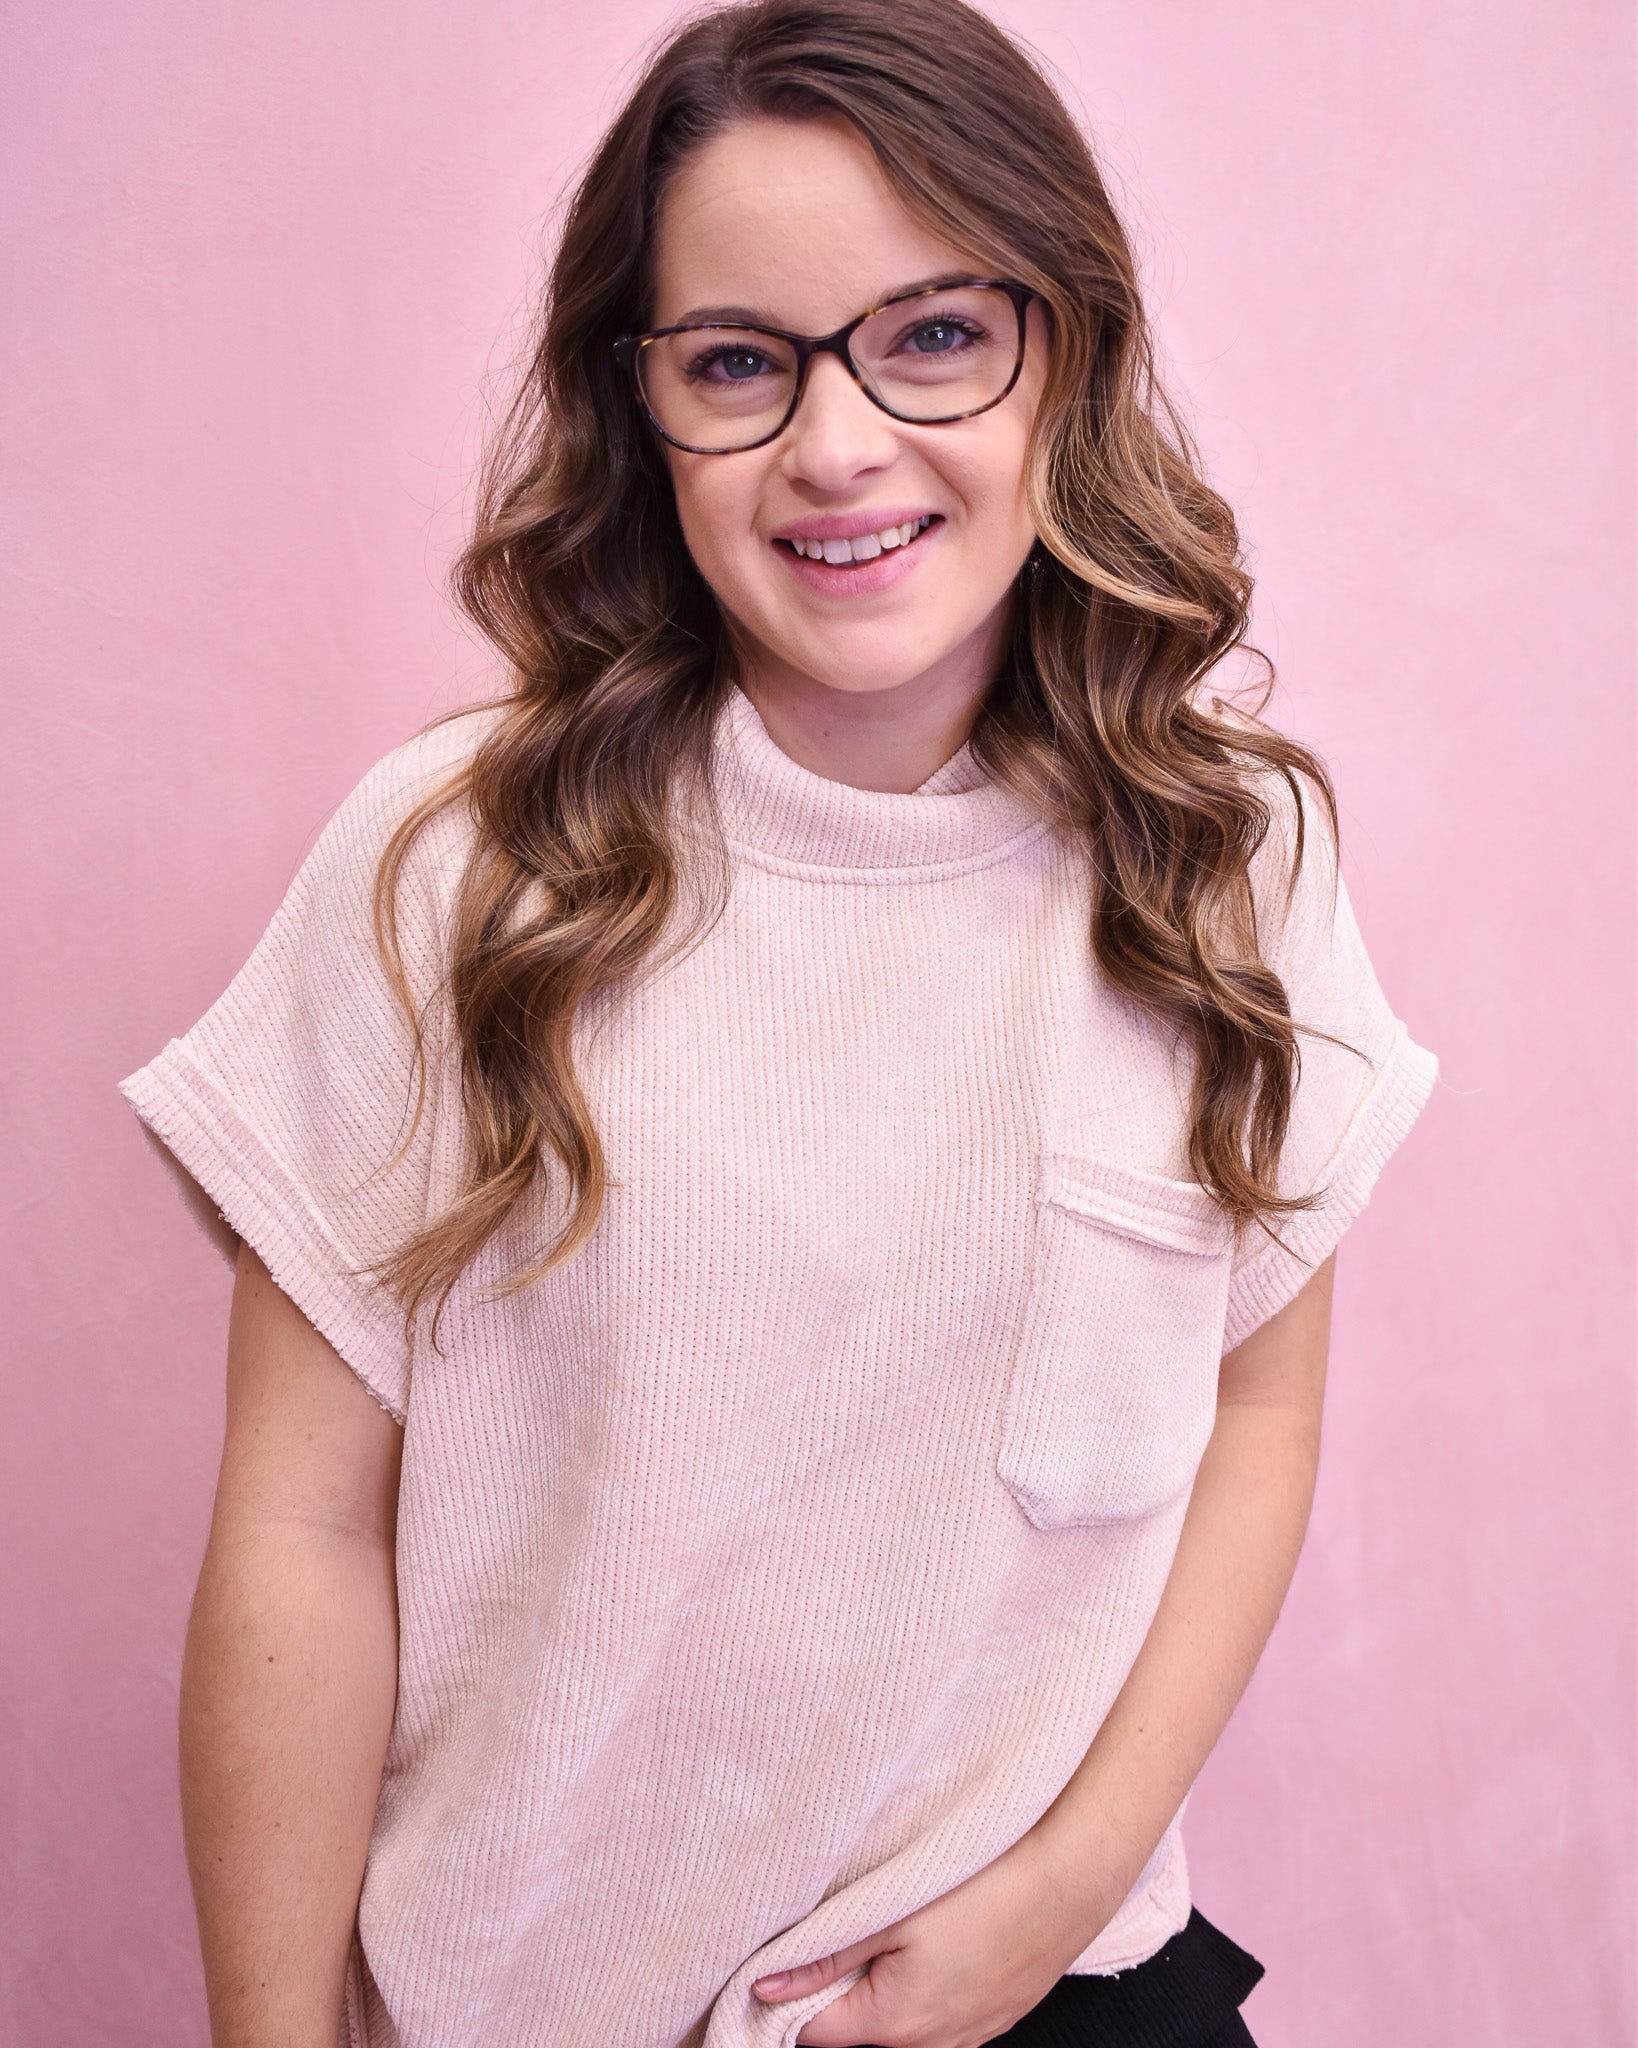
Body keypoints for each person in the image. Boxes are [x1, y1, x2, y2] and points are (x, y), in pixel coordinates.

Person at [120, 1, 1439, 2043]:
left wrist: (1053, 1893)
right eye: (739, 362)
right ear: (641, 406)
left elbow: (1254, 1409)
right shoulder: (458, 869)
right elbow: (302, 1532)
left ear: (1066, 354)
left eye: (934, 335)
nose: (837, 447)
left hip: (1054, 1986)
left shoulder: (1224, 857)